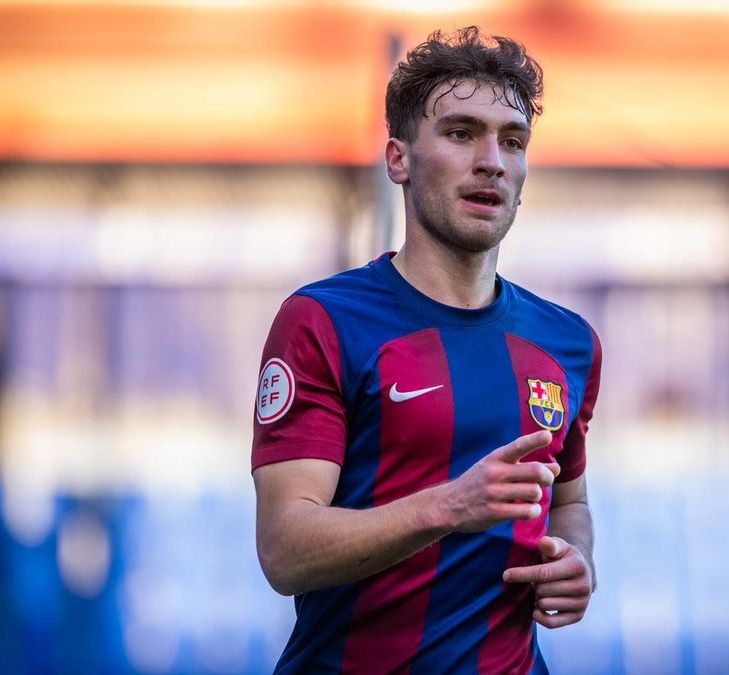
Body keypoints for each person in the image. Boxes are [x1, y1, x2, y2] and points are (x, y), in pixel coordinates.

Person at [251, 26, 602, 674]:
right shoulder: (325, 320)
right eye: (462, 133)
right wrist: (450, 505)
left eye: (513, 140)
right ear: (398, 160)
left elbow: (570, 501)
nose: (492, 160)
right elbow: (284, 549)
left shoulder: (567, 343)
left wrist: (574, 560)